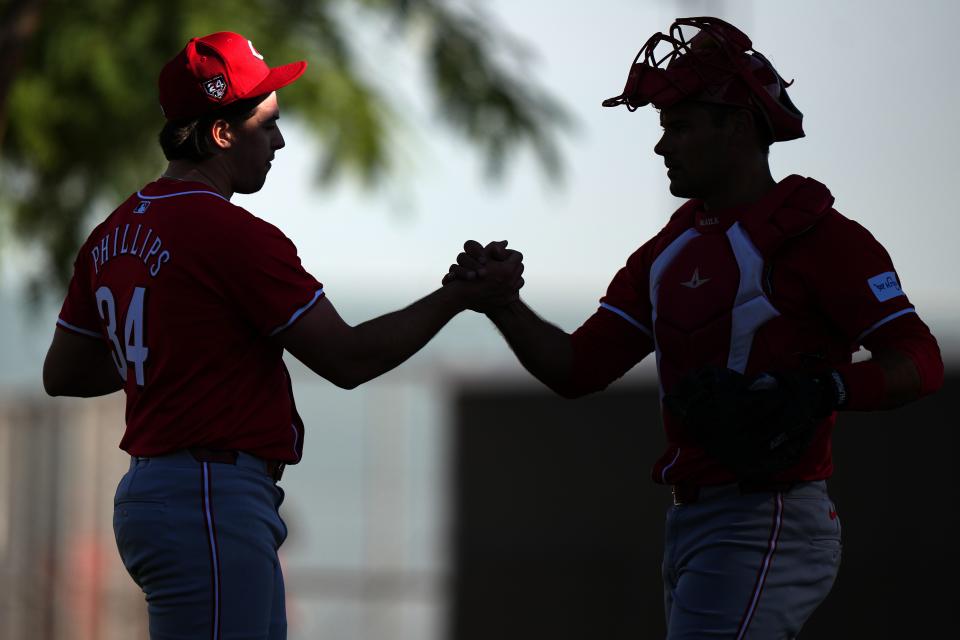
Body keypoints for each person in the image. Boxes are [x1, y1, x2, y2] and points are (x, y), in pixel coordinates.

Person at [445, 16, 944, 639]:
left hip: (770, 517)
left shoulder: (824, 239)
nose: (662, 146)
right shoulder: (667, 250)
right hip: (689, 523)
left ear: (736, 127)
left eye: (678, 127)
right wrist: (501, 305)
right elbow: (578, 370)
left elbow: (920, 360)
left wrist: (823, 391)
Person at [41, 31, 522, 639]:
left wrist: (183, 344)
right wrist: (459, 297)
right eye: (266, 123)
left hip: (156, 490)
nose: (280, 139)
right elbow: (347, 359)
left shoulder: (113, 230)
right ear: (221, 134)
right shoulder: (232, 233)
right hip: (209, 497)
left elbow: (63, 372)